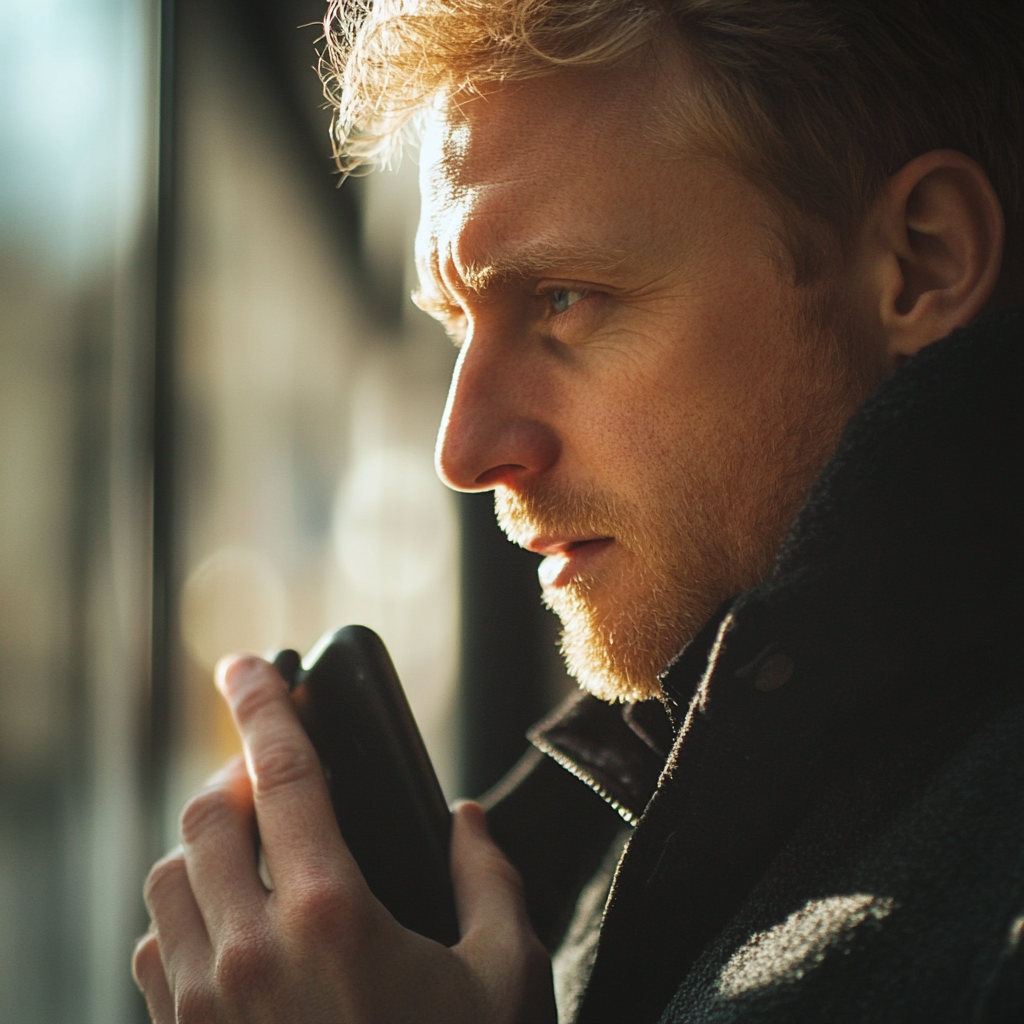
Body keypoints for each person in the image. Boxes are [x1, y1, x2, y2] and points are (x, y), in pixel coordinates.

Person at [132, 1, 1024, 1021]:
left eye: (562, 298)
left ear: (923, 262)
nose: (462, 455)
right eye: (457, 324)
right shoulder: (657, 806)